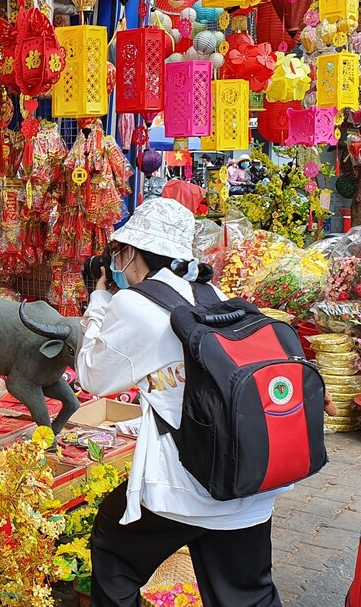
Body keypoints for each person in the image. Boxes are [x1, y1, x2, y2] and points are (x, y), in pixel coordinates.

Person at [77, 197, 284, 607]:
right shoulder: (209, 291)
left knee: (113, 550)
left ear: (131, 251)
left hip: (186, 483)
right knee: (246, 595)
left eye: (118, 252)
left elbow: (92, 376)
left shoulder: (135, 303)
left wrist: (99, 300)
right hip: (249, 479)